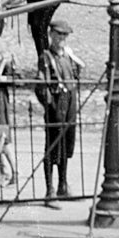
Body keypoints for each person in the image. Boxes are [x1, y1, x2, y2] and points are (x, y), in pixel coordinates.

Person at [36, 21, 84, 201]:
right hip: (56, 102)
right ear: (51, 35)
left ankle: (63, 184)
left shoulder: (68, 56)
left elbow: (75, 75)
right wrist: (50, 105)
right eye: (58, 35)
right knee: (52, 145)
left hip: (70, 101)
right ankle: (50, 190)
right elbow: (41, 85)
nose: (61, 39)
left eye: (64, 36)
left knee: (66, 143)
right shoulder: (46, 57)